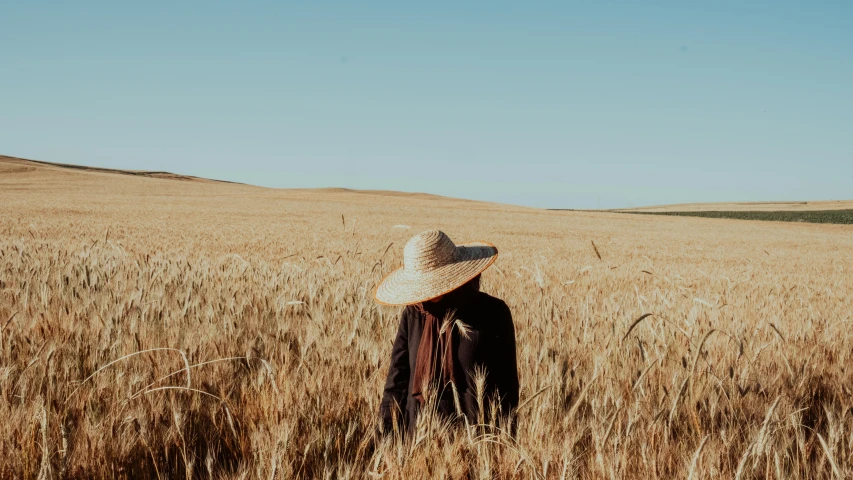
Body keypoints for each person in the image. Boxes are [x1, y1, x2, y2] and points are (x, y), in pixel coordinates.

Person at [375, 229, 519, 436]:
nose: (425, 291)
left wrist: (504, 443)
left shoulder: (493, 313)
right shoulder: (414, 314)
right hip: (418, 438)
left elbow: (508, 387)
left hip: (476, 439)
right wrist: (384, 438)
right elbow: (397, 381)